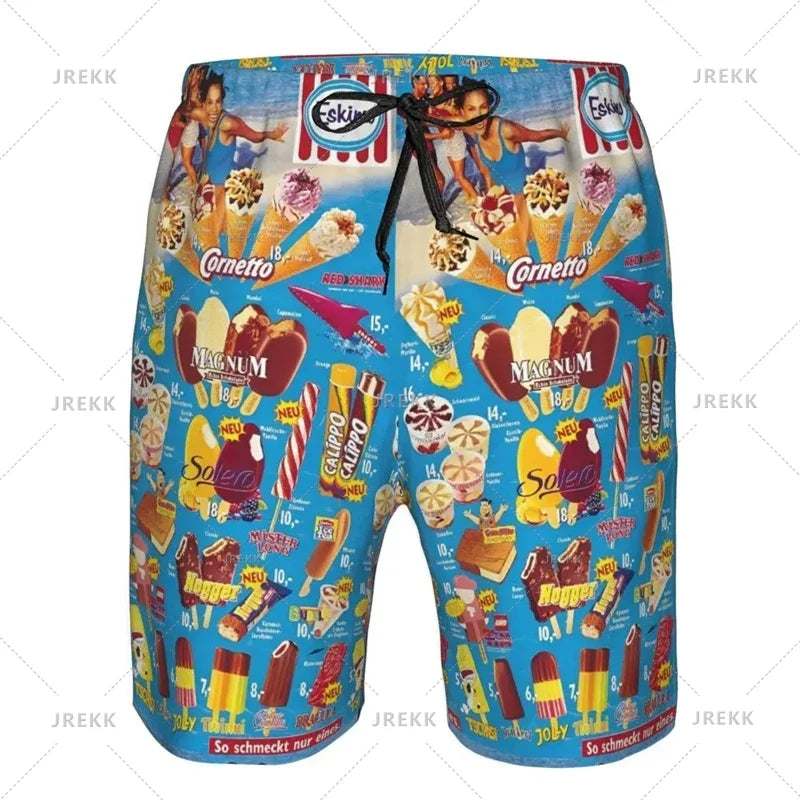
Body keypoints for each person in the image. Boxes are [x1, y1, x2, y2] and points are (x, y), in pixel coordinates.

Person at [460, 81, 569, 232]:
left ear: (489, 107)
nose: (478, 116)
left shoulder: (506, 130)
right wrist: (491, 202)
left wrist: (561, 133)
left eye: (483, 107)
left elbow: (536, 135)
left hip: (527, 197)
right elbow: (488, 174)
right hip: (504, 203)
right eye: (471, 109)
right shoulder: (473, 133)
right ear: (463, 112)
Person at [194, 71, 289, 236]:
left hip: (222, 189)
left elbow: (254, 136)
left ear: (223, 101)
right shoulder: (203, 118)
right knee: (205, 236)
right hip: (206, 185)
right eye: (209, 102)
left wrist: (272, 134)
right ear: (203, 103)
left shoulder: (228, 123)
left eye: (218, 101)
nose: (214, 108)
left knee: (215, 237)